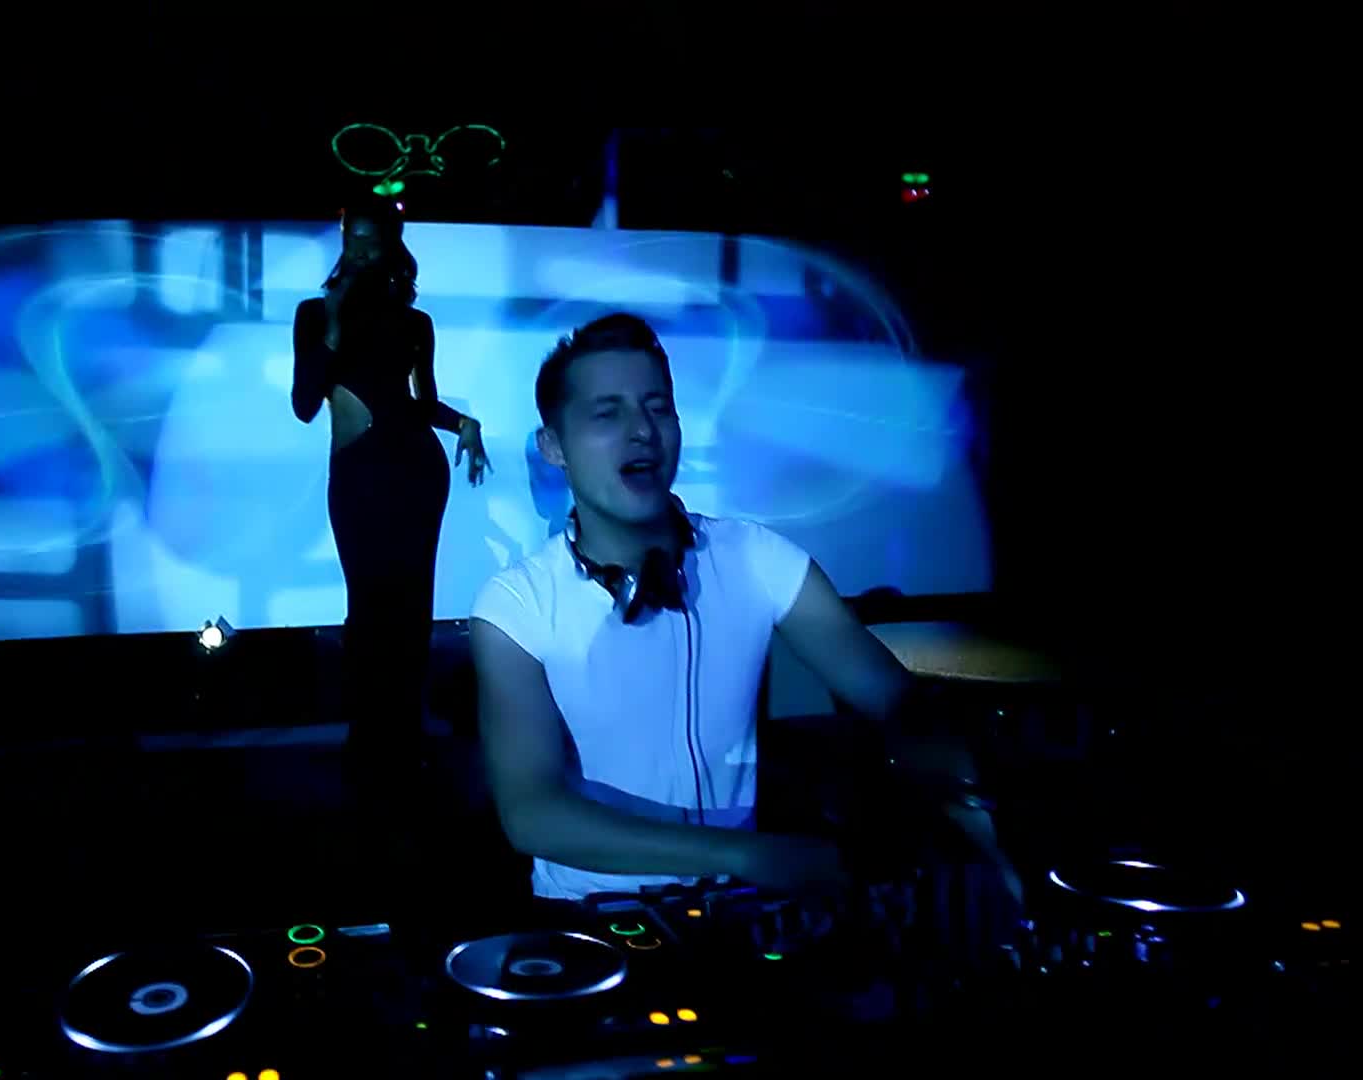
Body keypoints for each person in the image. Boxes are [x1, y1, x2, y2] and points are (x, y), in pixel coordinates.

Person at [469, 312, 1015, 903]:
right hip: (591, 916)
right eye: (608, 413)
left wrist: (981, 825)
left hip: (737, 905)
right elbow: (532, 813)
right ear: (554, 447)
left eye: (658, 407)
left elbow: (895, 699)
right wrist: (746, 854)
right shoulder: (515, 604)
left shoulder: (755, 557)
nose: (643, 430)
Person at [292, 195, 491, 802]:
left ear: (390, 246)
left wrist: (464, 424)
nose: (360, 250)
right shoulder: (313, 313)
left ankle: (404, 740)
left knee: (409, 611)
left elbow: (421, 402)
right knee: (368, 608)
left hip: (415, 469)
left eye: (371, 240)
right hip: (358, 471)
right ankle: (367, 740)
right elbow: (304, 404)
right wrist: (331, 327)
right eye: (352, 238)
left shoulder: (414, 323)